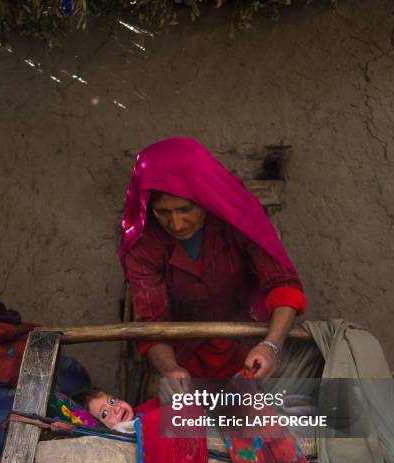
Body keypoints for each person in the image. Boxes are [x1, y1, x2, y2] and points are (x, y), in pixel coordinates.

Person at [119, 138, 307, 391]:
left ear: (205, 199)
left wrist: (271, 346)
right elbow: (152, 323)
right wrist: (170, 369)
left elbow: (283, 286)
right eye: (163, 212)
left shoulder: (239, 219)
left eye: (185, 209)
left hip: (253, 351)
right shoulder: (145, 244)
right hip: (187, 356)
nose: (176, 223)